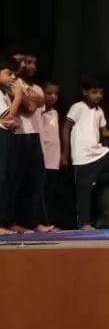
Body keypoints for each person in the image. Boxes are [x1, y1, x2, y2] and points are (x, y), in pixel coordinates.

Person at [63, 75, 109, 230]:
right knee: (84, 192)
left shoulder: (99, 111)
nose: (98, 96)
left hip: (99, 153)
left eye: (100, 93)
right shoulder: (78, 107)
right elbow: (66, 127)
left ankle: (100, 179)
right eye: (94, 92)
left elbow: (105, 132)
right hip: (83, 157)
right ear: (85, 92)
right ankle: (84, 223)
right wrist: (65, 153)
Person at [7, 51, 51, 231]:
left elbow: (38, 102)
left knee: (35, 180)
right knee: (15, 180)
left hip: (34, 135)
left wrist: (26, 98)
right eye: (25, 62)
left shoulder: (36, 87)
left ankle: (32, 221)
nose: (29, 66)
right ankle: (11, 221)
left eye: (33, 63)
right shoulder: (11, 82)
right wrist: (26, 99)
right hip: (17, 135)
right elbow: (27, 107)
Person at [0, 56, 20, 234]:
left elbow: (11, 121)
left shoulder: (5, 93)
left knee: (8, 179)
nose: (13, 77)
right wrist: (19, 96)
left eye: (14, 74)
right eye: (9, 73)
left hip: (7, 136)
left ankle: (6, 221)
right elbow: (7, 117)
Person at [41, 81, 64, 227]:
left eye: (56, 94)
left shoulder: (55, 113)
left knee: (50, 191)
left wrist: (61, 154)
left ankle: (47, 220)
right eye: (49, 93)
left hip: (53, 159)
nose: (53, 97)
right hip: (42, 158)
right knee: (41, 192)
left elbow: (56, 136)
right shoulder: (38, 112)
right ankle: (40, 221)